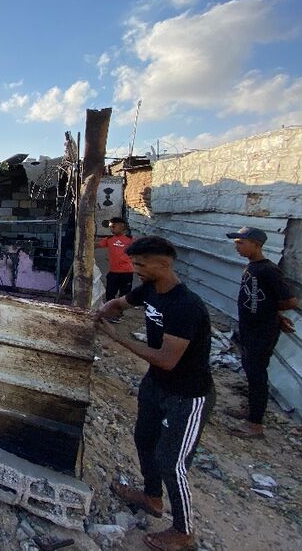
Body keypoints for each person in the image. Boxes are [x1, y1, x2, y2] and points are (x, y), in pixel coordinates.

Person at [95, 236, 214, 551]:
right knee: (144, 439)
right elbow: (120, 304)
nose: (136, 270)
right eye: (135, 264)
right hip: (156, 385)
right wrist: (103, 311)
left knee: (170, 461)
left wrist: (116, 337)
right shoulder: (149, 290)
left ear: (166, 263)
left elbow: (167, 359)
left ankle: (184, 530)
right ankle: (152, 497)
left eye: (142, 264)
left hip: (186, 395)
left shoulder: (185, 306)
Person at [225, 226, 297, 439]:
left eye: (241, 242)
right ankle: (252, 409)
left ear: (256, 244)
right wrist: (274, 313)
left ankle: (255, 425)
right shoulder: (252, 267)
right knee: (249, 368)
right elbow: (264, 298)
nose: (237, 246)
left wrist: (273, 315)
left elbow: (290, 300)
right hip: (251, 327)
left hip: (262, 331)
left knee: (257, 374)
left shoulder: (268, 269)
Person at [96, 217, 135, 314]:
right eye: (110, 227)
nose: (111, 229)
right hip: (113, 272)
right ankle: (110, 312)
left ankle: (119, 313)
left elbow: (140, 250)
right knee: (110, 294)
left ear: (122, 227)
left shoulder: (130, 240)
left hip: (127, 273)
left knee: (124, 295)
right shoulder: (109, 239)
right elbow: (96, 245)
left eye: (113, 226)